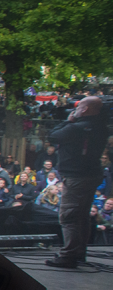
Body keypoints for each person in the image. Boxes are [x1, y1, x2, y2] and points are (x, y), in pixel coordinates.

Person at [44, 96, 109, 267]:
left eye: (79, 106)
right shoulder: (101, 127)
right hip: (91, 175)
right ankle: (79, 252)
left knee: (69, 217)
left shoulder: (77, 128)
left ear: (85, 109)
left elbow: (53, 136)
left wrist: (68, 121)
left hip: (76, 177)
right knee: (82, 217)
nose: (76, 109)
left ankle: (69, 256)